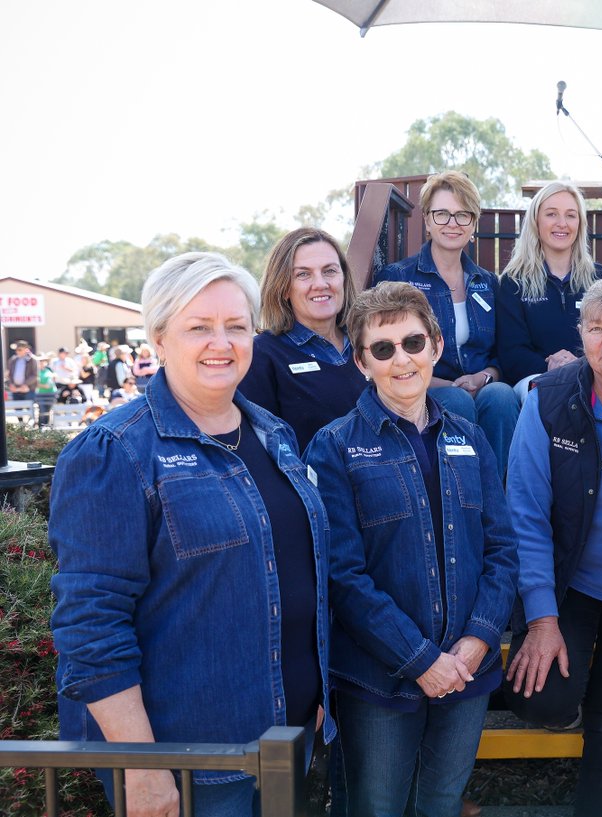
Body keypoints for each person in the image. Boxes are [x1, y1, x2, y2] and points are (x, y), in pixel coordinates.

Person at [49, 251, 334, 817]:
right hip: (192, 764)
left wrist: (315, 689)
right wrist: (141, 767)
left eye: (235, 326)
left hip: (289, 743)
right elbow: (91, 623)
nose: (221, 343)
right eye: (198, 327)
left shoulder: (273, 433)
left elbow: (299, 572)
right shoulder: (117, 451)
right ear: (158, 338)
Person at [306, 281, 518, 817]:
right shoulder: (333, 447)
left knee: (442, 805)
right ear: (361, 362)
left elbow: (501, 550)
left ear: (436, 347)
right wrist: (420, 659)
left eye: (413, 343)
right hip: (380, 682)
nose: (402, 359)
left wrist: (478, 641)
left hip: (467, 674)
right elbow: (341, 575)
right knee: (375, 808)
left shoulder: (468, 436)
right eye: (383, 349)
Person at [504, 278, 602, 817]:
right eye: (596, 328)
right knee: (544, 700)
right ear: (580, 336)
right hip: (573, 581)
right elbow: (525, 514)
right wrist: (542, 620)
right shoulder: (547, 400)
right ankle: (564, 689)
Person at [375, 171, 520, 470]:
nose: (452, 224)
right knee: (456, 402)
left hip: (479, 385)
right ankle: (458, 495)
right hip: (425, 385)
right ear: (427, 221)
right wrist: (450, 384)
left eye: (462, 215)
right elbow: (387, 349)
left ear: (473, 224)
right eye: (442, 214)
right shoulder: (399, 278)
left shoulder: (488, 282)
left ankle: (497, 495)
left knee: (502, 396)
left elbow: (502, 354)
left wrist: (485, 377)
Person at [238, 227, 365, 453]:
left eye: (330, 271)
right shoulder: (262, 356)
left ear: (343, 278)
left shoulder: (368, 343)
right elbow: (258, 449)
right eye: (303, 274)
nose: (320, 283)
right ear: (284, 287)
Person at [497, 181, 602, 399]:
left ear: (580, 223)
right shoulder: (513, 282)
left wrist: (579, 366)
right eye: (551, 214)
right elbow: (512, 353)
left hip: (593, 377)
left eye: (570, 215)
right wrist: (551, 367)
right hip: (535, 380)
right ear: (536, 221)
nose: (562, 223)